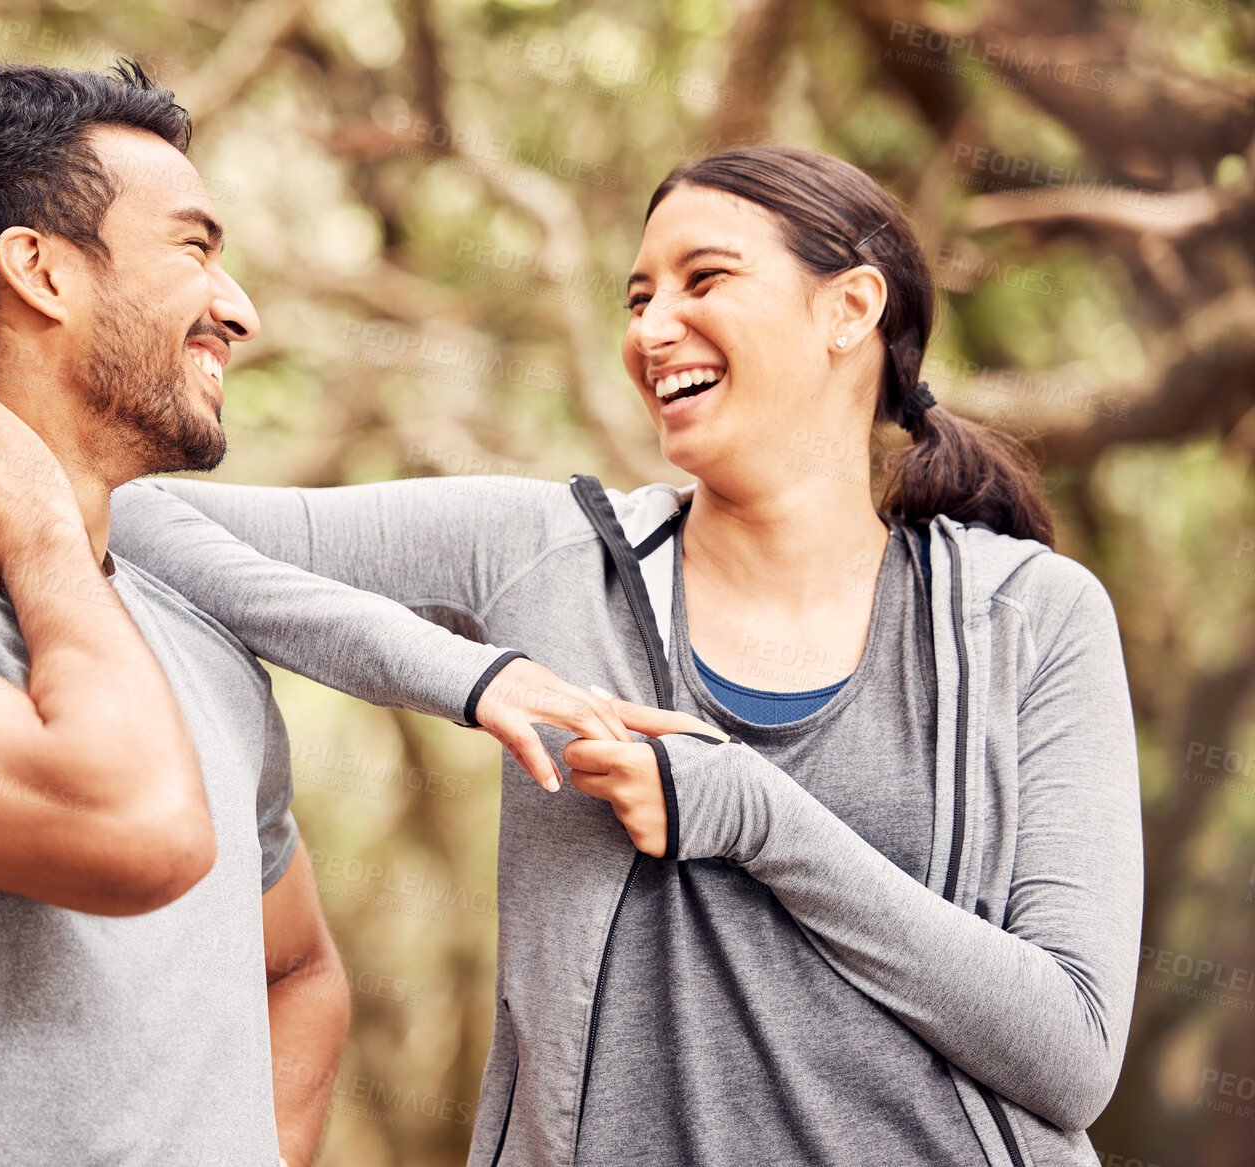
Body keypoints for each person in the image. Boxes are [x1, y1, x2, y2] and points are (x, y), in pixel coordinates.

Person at [94, 146, 1143, 1166]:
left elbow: (1071, 1054)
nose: (652, 328)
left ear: (849, 309)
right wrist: (476, 680)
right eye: (636, 299)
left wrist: (754, 817)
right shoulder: (544, 554)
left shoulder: (1028, 616)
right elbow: (139, 518)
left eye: (704, 279)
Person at [0, 62, 628, 1167]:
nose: (238, 310)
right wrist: (41, 540)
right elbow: (136, 837)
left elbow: (299, 973)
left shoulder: (197, 638)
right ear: (36, 269)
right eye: (193, 248)